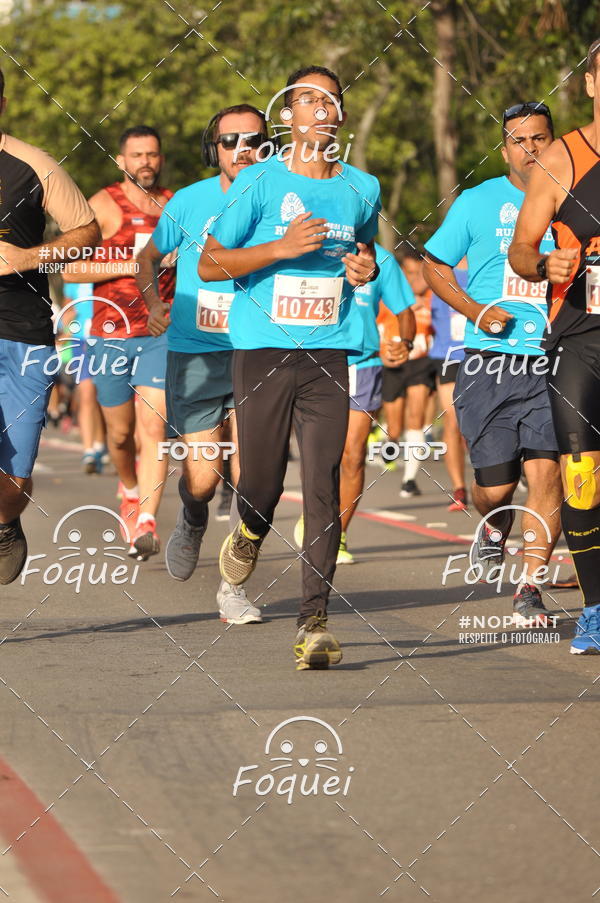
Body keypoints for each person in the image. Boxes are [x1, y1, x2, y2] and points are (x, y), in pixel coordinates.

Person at [199, 65, 381, 669]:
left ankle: (314, 622)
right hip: (262, 351)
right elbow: (209, 264)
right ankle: (250, 529)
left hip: (329, 351)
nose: (320, 109)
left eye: (330, 100)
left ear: (341, 115)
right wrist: (281, 248)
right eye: (307, 99)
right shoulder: (258, 181)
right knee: (262, 483)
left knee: (323, 482)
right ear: (288, 116)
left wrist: (365, 269)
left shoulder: (363, 187)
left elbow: (365, 252)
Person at [423, 100, 563, 627]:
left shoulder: (573, 201)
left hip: (552, 358)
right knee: (496, 489)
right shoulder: (477, 201)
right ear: (504, 150)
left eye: (540, 138)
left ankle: (530, 589)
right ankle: (494, 524)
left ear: (554, 143)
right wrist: (476, 311)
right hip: (490, 362)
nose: (531, 149)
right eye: (519, 141)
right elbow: (434, 265)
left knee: (547, 474)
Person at [136, 103, 268, 624]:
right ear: (214, 149)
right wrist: (154, 304)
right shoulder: (189, 201)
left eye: (252, 139)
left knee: (255, 477)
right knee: (206, 477)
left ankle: (233, 588)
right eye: (229, 140)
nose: (241, 149)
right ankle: (192, 516)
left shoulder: (284, 197)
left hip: (260, 350)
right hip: (197, 352)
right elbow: (147, 257)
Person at [508, 42, 600, 652]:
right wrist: (546, 263)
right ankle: (595, 609)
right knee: (582, 471)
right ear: (591, 83)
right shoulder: (562, 158)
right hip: (581, 334)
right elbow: (520, 249)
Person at [0, 67, 99, 584]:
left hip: (23, 331)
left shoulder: (33, 165)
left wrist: (28, 257)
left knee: (14, 479)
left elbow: (87, 232)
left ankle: (5, 520)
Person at [64, 125, 175, 560]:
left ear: (160, 158)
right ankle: (128, 487)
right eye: (137, 155)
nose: (146, 162)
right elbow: (70, 269)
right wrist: (130, 264)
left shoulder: (174, 205)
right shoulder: (104, 204)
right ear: (121, 161)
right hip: (110, 334)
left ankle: (146, 520)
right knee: (121, 434)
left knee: (154, 426)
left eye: (152, 154)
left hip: (159, 333)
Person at [293, 242, 416, 563]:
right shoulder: (317, 246)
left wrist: (405, 342)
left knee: (353, 455)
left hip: (362, 363)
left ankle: (338, 535)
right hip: (316, 360)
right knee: (317, 453)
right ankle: (316, 512)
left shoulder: (382, 259)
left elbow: (405, 311)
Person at [380, 247, 435, 497]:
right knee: (394, 428)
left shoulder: (434, 298)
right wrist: (382, 352)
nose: (415, 279)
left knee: (416, 418)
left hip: (420, 365)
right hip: (393, 364)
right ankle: (390, 442)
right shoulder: (389, 299)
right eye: (410, 274)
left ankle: (409, 479)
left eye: (419, 273)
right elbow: (376, 327)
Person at [428, 259, 469, 511]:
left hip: (483, 355)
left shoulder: (488, 264)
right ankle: (459, 489)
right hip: (448, 355)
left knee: (483, 421)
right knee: (453, 421)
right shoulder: (440, 268)